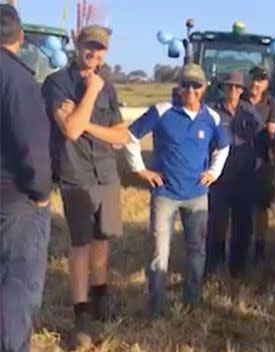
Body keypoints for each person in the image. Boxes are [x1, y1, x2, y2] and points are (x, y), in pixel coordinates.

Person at [42, 24, 129, 348]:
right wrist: (91, 92)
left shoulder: (109, 88)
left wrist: (89, 123)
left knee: (103, 238)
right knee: (80, 244)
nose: (94, 52)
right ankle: (81, 313)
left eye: (100, 48)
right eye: (89, 46)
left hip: (106, 172)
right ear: (77, 45)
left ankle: (101, 294)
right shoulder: (57, 83)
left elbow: (121, 135)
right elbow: (70, 132)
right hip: (75, 174)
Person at [124, 64, 229, 317]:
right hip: (165, 195)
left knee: (197, 250)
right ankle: (156, 306)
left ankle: (192, 302)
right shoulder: (162, 111)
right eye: (185, 85)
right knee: (160, 252)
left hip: (197, 195)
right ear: (178, 87)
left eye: (196, 86)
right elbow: (130, 136)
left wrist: (214, 172)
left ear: (204, 88)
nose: (190, 90)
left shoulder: (212, 118)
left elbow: (223, 147)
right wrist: (140, 170)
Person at [0, 5, 52, 351]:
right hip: (13, 198)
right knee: (17, 283)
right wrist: (41, 192)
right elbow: (32, 145)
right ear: (20, 37)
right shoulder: (18, 79)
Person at [207, 71, 263, 278]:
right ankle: (212, 265)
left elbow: (262, 141)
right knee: (216, 223)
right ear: (222, 88)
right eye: (228, 87)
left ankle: (238, 268)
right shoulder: (211, 111)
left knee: (243, 223)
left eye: (236, 87)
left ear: (241, 90)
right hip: (218, 178)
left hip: (244, 177)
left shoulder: (251, 112)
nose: (232, 91)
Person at [244, 66, 275, 263]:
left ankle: (259, 248)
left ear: (266, 84)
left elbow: (272, 133)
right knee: (238, 209)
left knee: (261, 209)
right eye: (253, 79)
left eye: (261, 80)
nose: (256, 84)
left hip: (262, 163)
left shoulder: (272, 105)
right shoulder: (238, 101)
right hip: (238, 163)